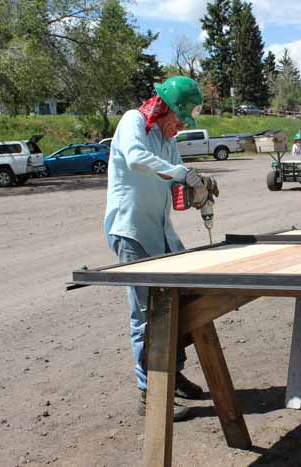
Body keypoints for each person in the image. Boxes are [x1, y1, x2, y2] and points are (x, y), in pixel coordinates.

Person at [104, 76, 218, 420]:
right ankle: (150, 394)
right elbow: (137, 159)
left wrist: (199, 190)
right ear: (165, 107)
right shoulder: (133, 122)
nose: (182, 126)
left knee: (183, 301)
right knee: (145, 314)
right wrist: (182, 174)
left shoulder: (168, 139)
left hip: (161, 233)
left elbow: (173, 186)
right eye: (180, 118)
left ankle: (173, 373)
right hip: (132, 232)